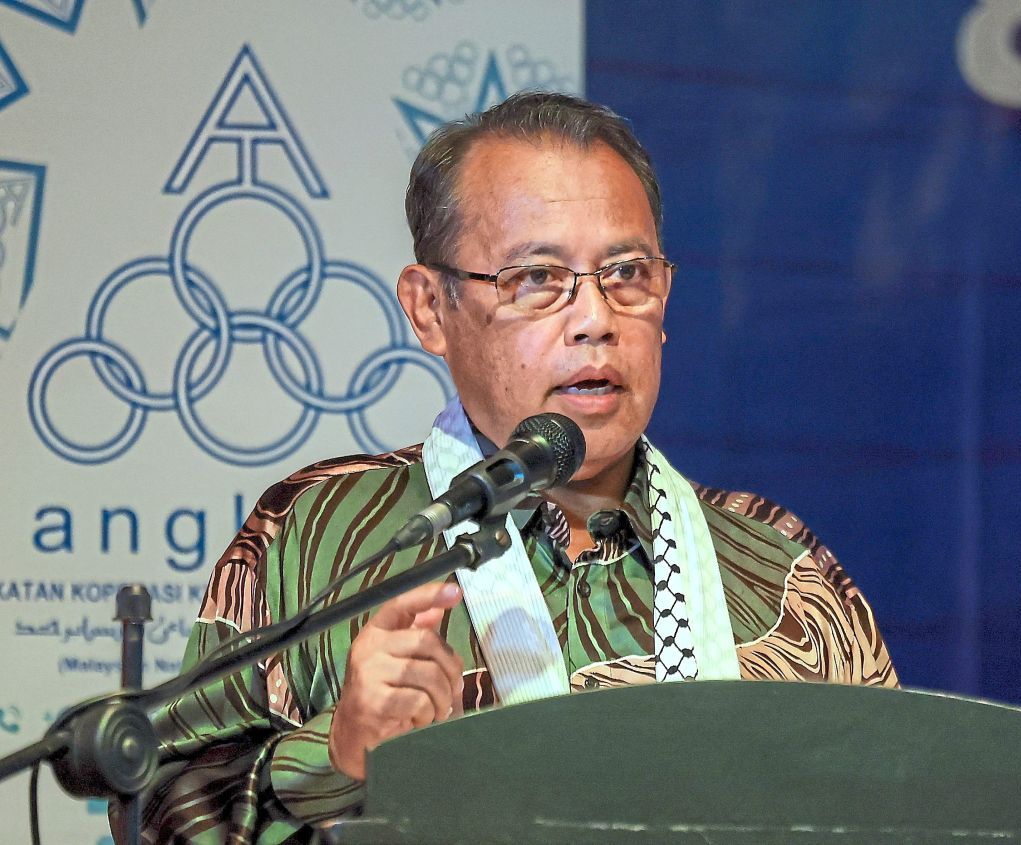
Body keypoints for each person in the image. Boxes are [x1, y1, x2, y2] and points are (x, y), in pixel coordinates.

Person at [135, 91, 898, 844]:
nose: (596, 317)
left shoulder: (778, 566)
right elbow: (161, 813)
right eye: (537, 278)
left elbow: (910, 810)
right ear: (430, 308)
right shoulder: (313, 537)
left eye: (627, 273)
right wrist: (339, 753)